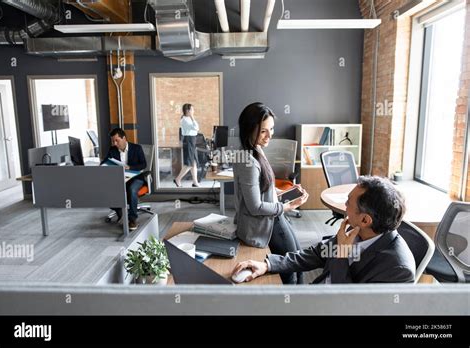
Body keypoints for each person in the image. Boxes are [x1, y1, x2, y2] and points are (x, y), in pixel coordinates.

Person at [232, 176, 416, 284]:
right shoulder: (358, 230)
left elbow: (349, 305)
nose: (344, 205)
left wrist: (342, 254)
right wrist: (268, 265)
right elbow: (318, 253)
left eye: (348, 203)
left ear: (365, 219)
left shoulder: (398, 269)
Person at [232, 102, 309, 284]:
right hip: (266, 222)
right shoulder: (249, 161)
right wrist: (286, 206)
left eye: (271, 129)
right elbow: (255, 206)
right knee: (292, 267)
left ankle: (297, 300)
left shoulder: (256, 149)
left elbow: (263, 185)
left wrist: (283, 191)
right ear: (249, 129)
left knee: (297, 260)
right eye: (263, 131)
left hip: (273, 216)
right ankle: (291, 304)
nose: (269, 136)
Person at [101, 128, 147, 231]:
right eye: (113, 141)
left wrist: (130, 167)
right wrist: (104, 165)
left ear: (124, 138)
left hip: (135, 177)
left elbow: (143, 164)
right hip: (120, 178)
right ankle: (120, 213)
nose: (114, 143)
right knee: (107, 189)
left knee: (132, 189)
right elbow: (104, 162)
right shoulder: (112, 150)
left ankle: (132, 219)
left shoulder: (137, 148)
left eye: (117, 140)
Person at [174, 103, 201, 188]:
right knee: (189, 164)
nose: (193, 111)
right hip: (189, 141)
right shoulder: (184, 120)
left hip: (192, 140)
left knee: (193, 163)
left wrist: (192, 117)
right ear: (188, 111)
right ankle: (178, 179)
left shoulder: (188, 119)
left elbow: (197, 129)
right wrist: (192, 116)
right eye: (192, 109)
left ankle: (195, 182)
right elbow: (196, 128)